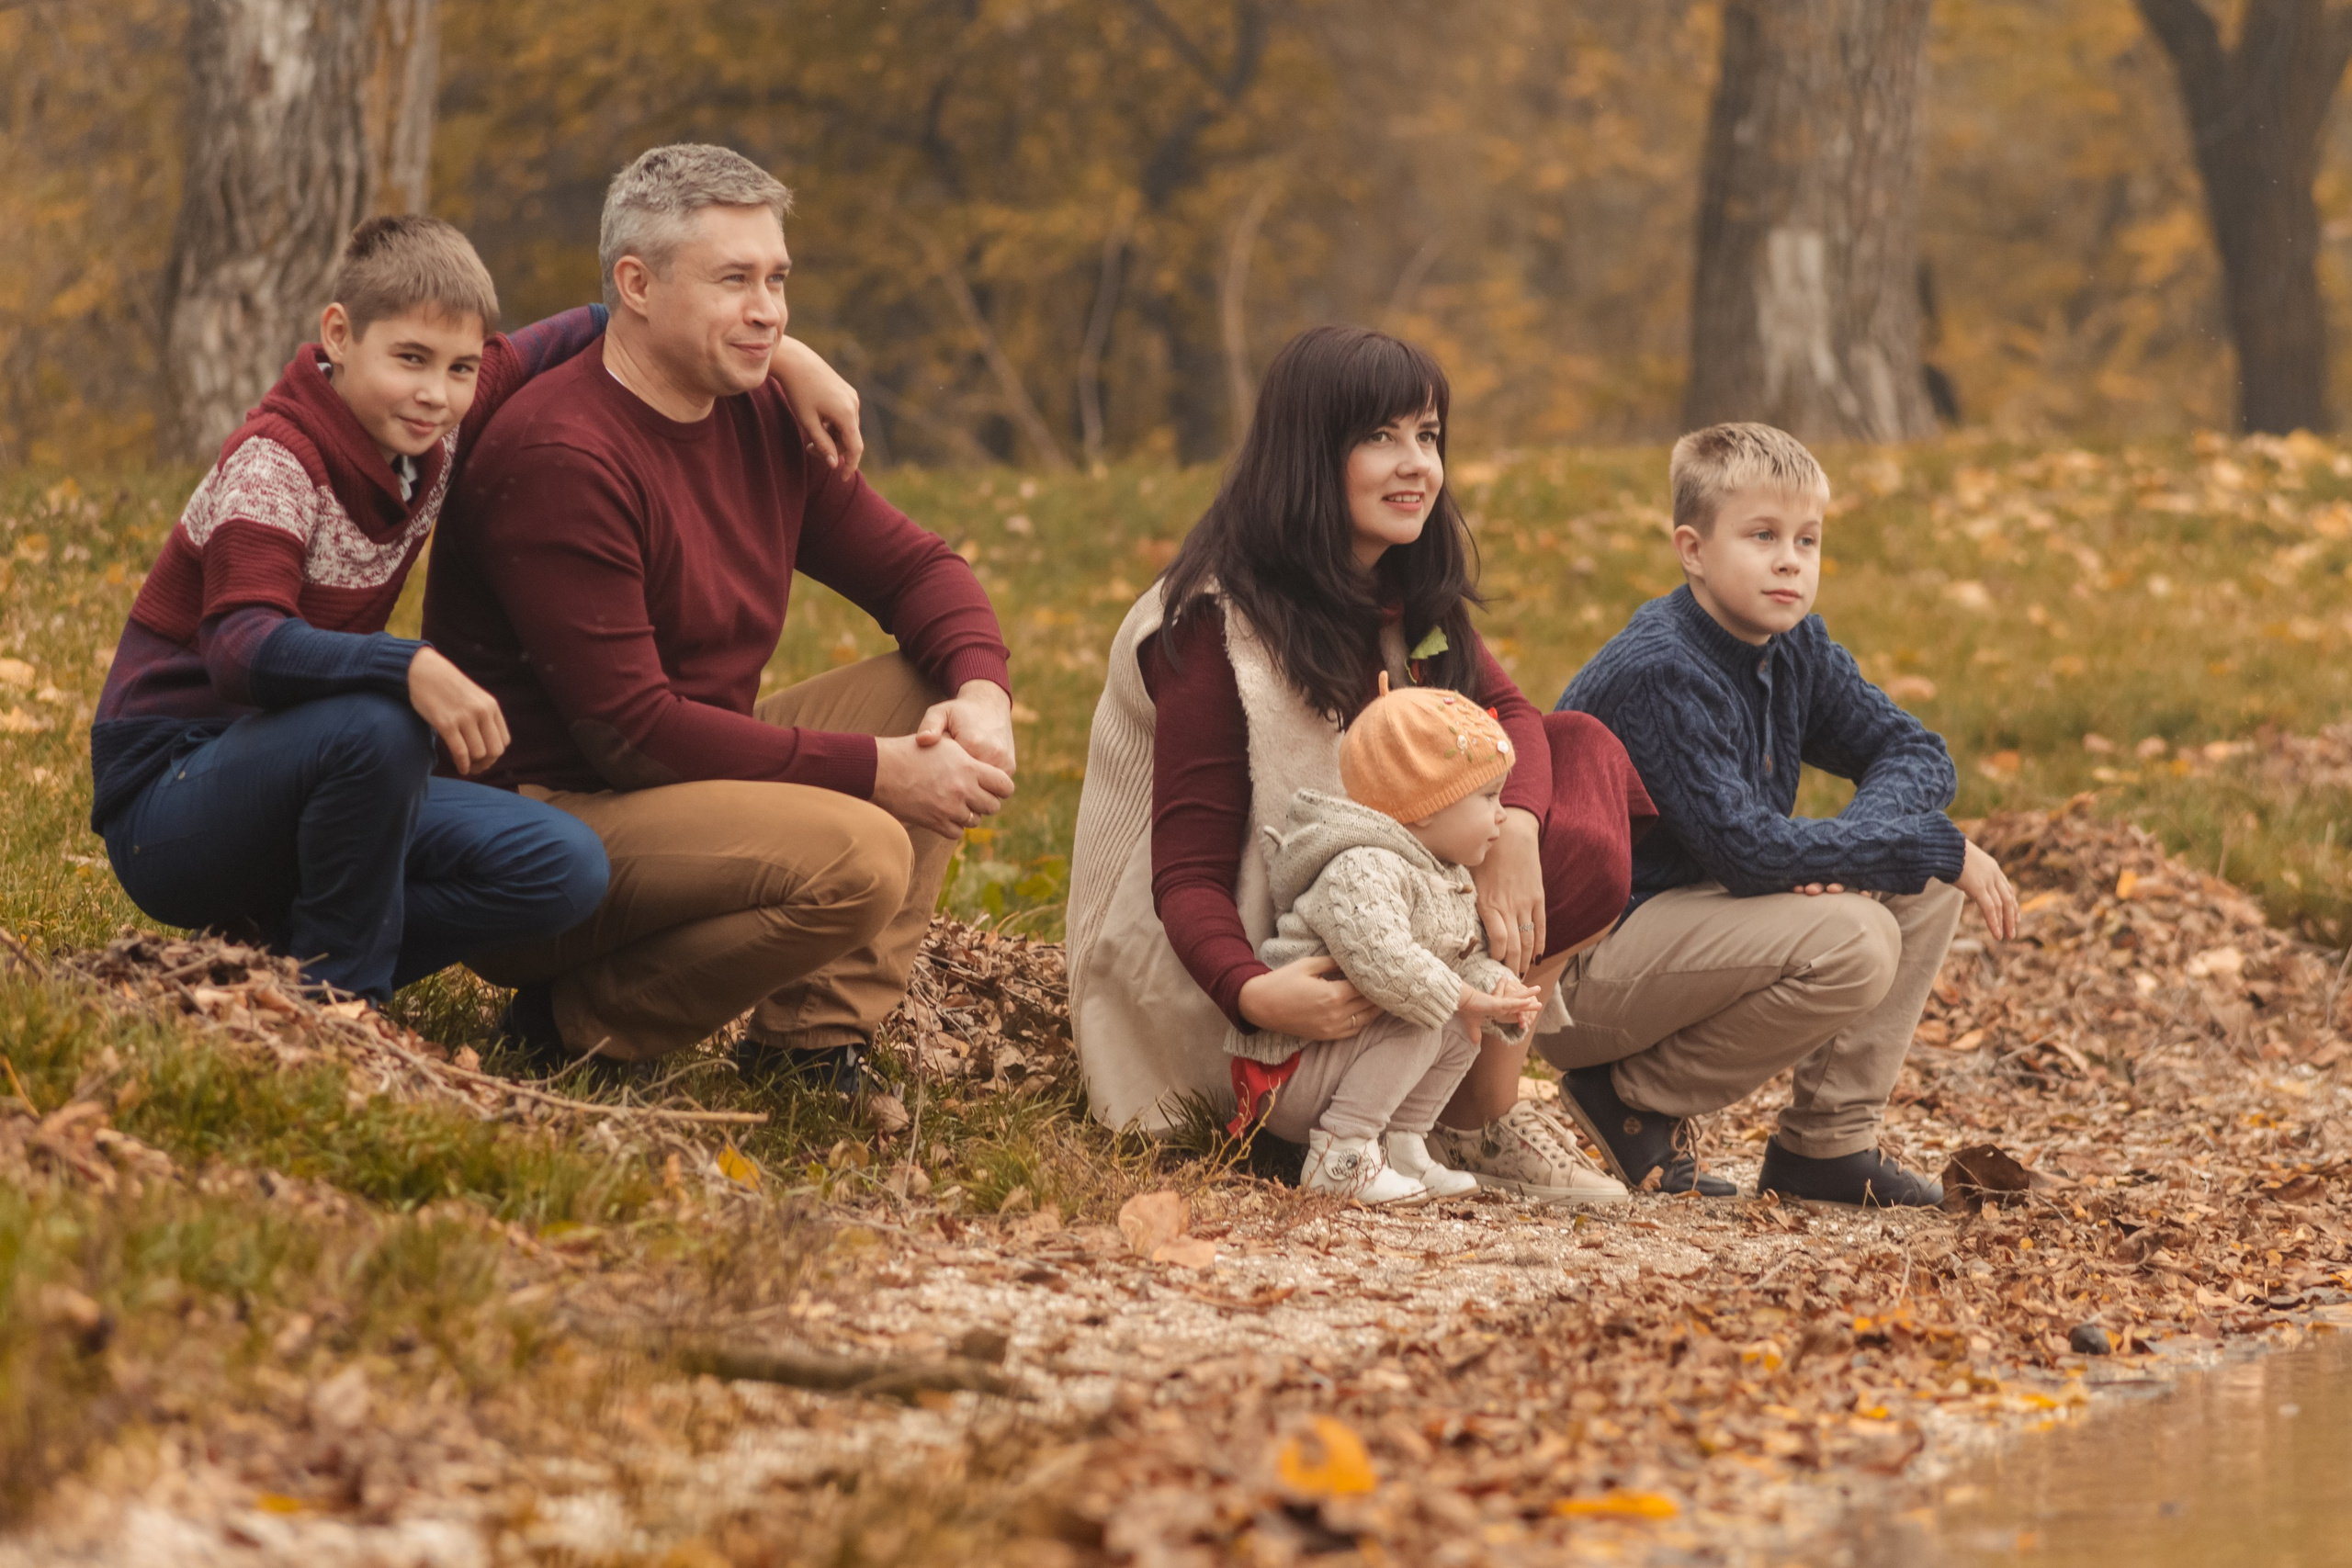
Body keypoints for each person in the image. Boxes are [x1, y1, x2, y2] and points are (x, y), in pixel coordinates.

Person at [423, 144, 1014, 1078]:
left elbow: (917, 570)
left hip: (677, 784)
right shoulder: (562, 456)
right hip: (543, 833)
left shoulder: (759, 412)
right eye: (733, 279)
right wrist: (875, 772)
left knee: (930, 694)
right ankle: (577, 1025)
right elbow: (634, 734)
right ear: (637, 285)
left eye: (777, 278)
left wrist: (981, 692)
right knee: (861, 849)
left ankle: (812, 1045)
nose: (768, 310)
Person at [1067, 323, 1650, 1205]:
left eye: (1428, 435)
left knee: (1582, 752)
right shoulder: (1209, 627)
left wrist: (1518, 828)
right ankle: (1418, 1121)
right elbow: (1185, 875)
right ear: (1308, 455)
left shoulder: (1400, 589)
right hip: (1248, 974)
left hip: (1378, 908)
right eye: (1379, 437)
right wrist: (1255, 994)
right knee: (1544, 776)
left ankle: (1468, 1119)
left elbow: (1516, 716)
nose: (1416, 463)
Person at [1551, 422, 2021, 1206]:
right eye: (1762, 535)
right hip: (1579, 971)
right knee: (1860, 934)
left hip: (1681, 929)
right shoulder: (1664, 669)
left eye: (1808, 540)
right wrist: (1864, 854)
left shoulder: (1794, 643)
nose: (1788, 561)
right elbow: (1750, 853)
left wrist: (1859, 848)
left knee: (1925, 881)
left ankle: (1826, 1148)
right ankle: (1631, 1098)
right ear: (1693, 550)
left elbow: (1918, 752)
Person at [1230, 678, 1549, 1205]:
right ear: (1426, 806)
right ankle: (1340, 1157)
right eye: (1488, 797)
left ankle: (1402, 1146)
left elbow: (1453, 961)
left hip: (1340, 1049)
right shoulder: (1362, 865)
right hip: (1289, 1063)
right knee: (1429, 1015)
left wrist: (1495, 990)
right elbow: (1387, 964)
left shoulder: (1443, 872)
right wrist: (1465, 997)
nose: (1501, 813)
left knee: (1459, 1028)